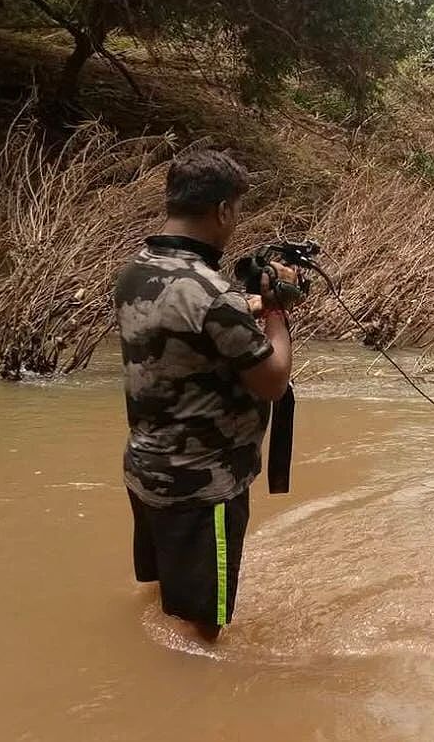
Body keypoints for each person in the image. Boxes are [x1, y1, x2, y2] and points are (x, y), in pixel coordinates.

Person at [114, 148, 296, 643]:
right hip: (202, 488)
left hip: (147, 470)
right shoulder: (213, 296)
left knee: (159, 600)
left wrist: (246, 306)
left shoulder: (138, 270)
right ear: (223, 211)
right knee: (203, 634)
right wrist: (276, 309)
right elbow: (273, 380)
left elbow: (186, 326)